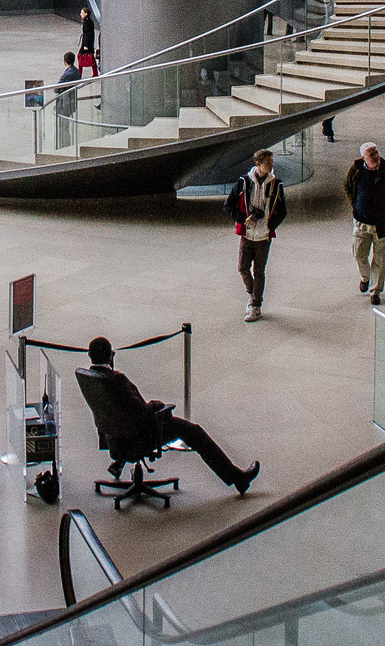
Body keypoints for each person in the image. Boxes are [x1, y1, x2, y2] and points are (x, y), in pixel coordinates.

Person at [82, 337, 260, 493]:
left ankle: (120, 461)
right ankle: (237, 478)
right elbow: (141, 413)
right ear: (111, 355)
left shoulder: (87, 377)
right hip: (139, 436)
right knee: (194, 432)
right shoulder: (116, 380)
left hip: (114, 439)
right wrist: (157, 405)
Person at [225, 150, 286, 322]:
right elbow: (228, 205)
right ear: (258, 163)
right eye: (268, 162)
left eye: (271, 161)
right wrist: (243, 220)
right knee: (243, 268)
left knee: (259, 271)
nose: (271, 165)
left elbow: (283, 211)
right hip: (247, 234)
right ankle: (253, 296)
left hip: (263, 236)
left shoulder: (276, 184)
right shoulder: (244, 182)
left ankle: (255, 305)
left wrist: (270, 225)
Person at [344, 142, 385, 306]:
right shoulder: (357, 169)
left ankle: (375, 290)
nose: (376, 156)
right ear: (364, 157)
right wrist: (355, 204)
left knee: (380, 258)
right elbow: (347, 186)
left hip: (382, 223)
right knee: (358, 254)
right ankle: (365, 277)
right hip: (361, 222)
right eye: (372, 154)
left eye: (376, 152)